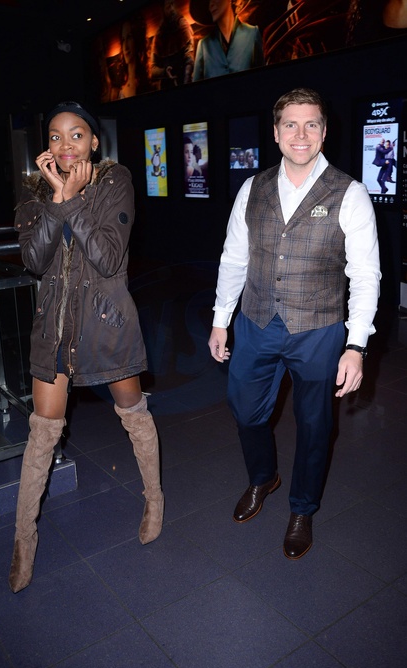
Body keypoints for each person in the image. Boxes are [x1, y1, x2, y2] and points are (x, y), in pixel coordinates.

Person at [208, 88, 380, 560]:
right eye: (290, 124)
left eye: (310, 124)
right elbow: (234, 258)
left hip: (319, 330)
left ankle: (302, 508)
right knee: (245, 411)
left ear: (324, 132)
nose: (300, 134)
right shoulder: (252, 188)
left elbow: (365, 275)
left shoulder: (350, 192)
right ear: (276, 132)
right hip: (256, 321)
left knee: (315, 425)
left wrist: (356, 346)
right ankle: (263, 478)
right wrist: (221, 320)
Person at [9, 101, 164, 593]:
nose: (66, 145)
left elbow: (108, 257)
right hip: (53, 329)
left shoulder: (115, 181)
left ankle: (154, 499)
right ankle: (23, 541)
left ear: (94, 142)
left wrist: (73, 199)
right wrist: (57, 199)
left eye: (76, 135)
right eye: (56, 136)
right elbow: (34, 260)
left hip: (107, 322)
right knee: (41, 433)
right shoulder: (35, 191)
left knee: (133, 414)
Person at [191, 0, 264, 81]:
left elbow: (262, 78)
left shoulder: (252, 34)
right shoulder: (204, 45)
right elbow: (196, 85)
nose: (211, 5)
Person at [150, 0, 195, 90]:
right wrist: (164, 72)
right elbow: (152, 69)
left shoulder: (183, 26)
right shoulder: (159, 36)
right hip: (167, 85)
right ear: (163, 9)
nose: (171, 9)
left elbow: (189, 56)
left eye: (172, 4)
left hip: (183, 79)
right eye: (168, 6)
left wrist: (186, 81)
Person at [117, 14, 151, 99]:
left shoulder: (145, 82)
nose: (125, 46)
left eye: (129, 37)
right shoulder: (121, 87)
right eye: (123, 39)